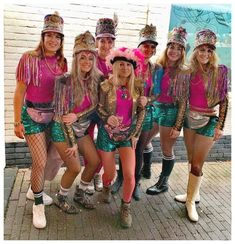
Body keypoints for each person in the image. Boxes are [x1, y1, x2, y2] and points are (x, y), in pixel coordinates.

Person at [14, 12, 67, 229]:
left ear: (61, 40)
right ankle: (38, 205)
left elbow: (63, 92)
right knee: (40, 161)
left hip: (52, 117)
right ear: (43, 36)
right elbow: (19, 93)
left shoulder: (62, 62)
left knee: (52, 157)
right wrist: (17, 121)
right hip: (33, 117)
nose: (53, 39)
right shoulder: (29, 58)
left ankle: (32, 190)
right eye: (49, 35)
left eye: (57, 36)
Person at [174, 29, 228, 222]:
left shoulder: (219, 72)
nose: (205, 54)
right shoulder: (188, 72)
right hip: (189, 120)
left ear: (212, 53)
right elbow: (182, 101)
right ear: (195, 51)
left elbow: (224, 100)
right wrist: (178, 126)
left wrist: (220, 125)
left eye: (209, 50)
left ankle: (190, 202)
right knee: (190, 160)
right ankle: (193, 194)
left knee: (197, 164)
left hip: (208, 122)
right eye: (201, 50)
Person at [52, 31, 102, 214]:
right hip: (61, 130)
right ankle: (61, 197)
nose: (87, 61)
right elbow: (65, 118)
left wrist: (78, 116)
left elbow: (96, 105)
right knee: (74, 167)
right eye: (83, 57)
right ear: (76, 58)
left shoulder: (96, 80)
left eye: (90, 58)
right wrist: (73, 144)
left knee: (95, 161)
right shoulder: (63, 81)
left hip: (80, 129)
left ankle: (80, 194)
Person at [96, 47, 146, 228]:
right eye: (121, 64)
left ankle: (125, 207)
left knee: (130, 175)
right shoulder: (105, 85)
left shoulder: (138, 86)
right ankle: (107, 187)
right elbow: (99, 108)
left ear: (133, 68)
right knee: (110, 173)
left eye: (128, 64)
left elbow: (142, 112)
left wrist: (136, 134)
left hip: (127, 135)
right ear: (114, 66)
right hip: (107, 135)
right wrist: (106, 117)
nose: (125, 67)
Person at [111, 24, 158, 200]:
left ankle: (136, 182)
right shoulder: (129, 63)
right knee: (125, 146)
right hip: (127, 113)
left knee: (137, 148)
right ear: (139, 46)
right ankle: (121, 177)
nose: (149, 49)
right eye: (146, 45)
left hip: (145, 114)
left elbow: (158, 92)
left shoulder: (157, 69)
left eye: (152, 47)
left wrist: (149, 99)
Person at [146, 27, 191, 195]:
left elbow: (184, 100)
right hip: (155, 108)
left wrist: (178, 125)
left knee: (166, 149)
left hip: (171, 112)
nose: (174, 51)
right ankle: (146, 170)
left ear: (182, 52)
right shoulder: (158, 66)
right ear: (167, 48)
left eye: (179, 48)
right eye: (172, 47)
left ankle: (163, 183)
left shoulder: (184, 71)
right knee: (145, 140)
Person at [85, 16, 118, 194]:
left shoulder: (116, 61)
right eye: (102, 41)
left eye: (109, 41)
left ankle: (96, 174)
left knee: (102, 143)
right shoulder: (90, 59)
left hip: (106, 111)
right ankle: (88, 175)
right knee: (88, 143)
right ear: (96, 41)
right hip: (89, 109)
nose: (105, 45)